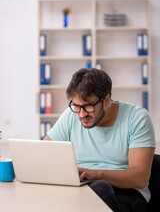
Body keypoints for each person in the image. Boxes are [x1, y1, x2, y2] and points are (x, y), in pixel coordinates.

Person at [44, 68, 155, 212]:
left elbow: (140, 178)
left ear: (106, 100)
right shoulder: (71, 115)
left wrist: (96, 174)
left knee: (100, 188)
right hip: (82, 190)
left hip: (125, 196)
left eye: (88, 106)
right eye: (76, 106)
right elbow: (44, 153)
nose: (81, 114)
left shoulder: (137, 118)